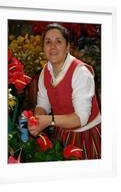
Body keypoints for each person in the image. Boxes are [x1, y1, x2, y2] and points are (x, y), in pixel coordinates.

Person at [28, 23, 101, 160]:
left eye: (58, 41)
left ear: (67, 47)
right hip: (61, 133)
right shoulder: (45, 71)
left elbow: (81, 119)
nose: (53, 47)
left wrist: (48, 121)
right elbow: (43, 104)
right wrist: (38, 120)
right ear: (43, 47)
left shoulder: (81, 72)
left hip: (86, 135)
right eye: (48, 42)